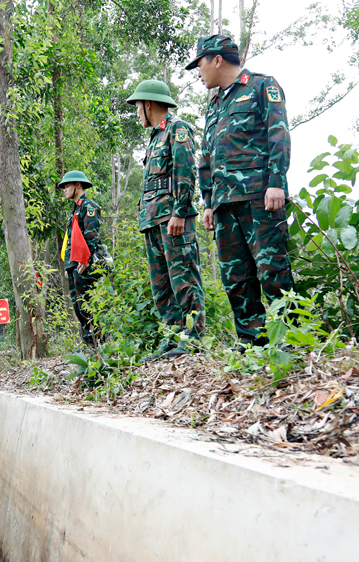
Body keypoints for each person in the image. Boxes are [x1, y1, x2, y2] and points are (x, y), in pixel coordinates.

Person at [188, 34, 295, 348]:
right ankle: (251, 341)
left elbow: (279, 134)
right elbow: (206, 157)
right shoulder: (216, 105)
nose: (198, 72)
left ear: (217, 59)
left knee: (272, 270)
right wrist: (208, 201)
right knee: (235, 278)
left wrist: (276, 181)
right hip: (224, 204)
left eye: (200, 64)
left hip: (259, 197)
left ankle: (289, 338)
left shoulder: (262, 86)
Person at [126, 80, 206, 360]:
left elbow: (186, 173)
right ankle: (173, 339)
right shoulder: (154, 137)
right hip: (152, 222)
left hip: (173, 220)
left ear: (148, 104)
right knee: (161, 286)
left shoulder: (177, 130)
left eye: (138, 106)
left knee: (184, 280)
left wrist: (179, 212)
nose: (137, 112)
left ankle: (193, 338)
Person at [58, 170, 102, 347]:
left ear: (78, 185)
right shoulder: (75, 209)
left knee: (89, 304)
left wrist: (86, 260)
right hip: (74, 265)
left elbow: (91, 236)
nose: (64, 189)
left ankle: (99, 342)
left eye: (67, 185)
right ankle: (89, 344)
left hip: (85, 264)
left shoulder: (89, 207)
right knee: (78, 306)